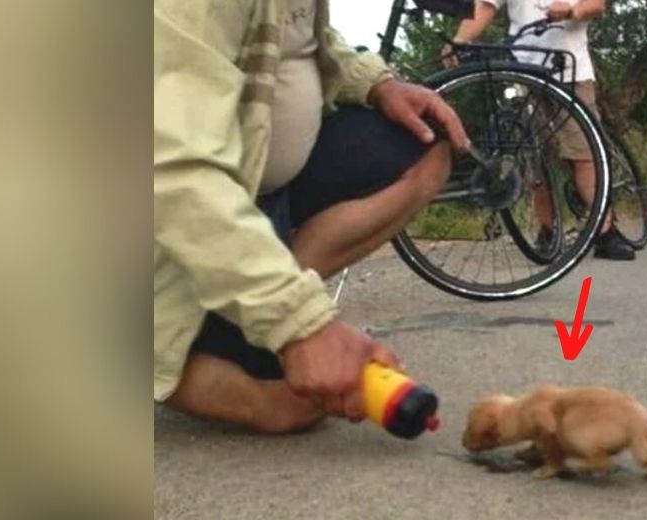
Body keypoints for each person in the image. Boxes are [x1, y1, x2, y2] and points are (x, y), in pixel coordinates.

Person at [154, 0, 468, 434]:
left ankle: (251, 304)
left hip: (261, 186)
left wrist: (377, 83)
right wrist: (299, 325)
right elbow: (168, 165)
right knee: (284, 404)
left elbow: (303, 38)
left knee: (426, 146)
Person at [444, 0, 634, 260]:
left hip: (569, 71)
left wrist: (571, 11)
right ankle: (547, 230)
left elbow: (596, 4)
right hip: (523, 68)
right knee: (535, 159)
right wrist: (459, 40)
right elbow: (485, 6)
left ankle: (605, 230)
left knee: (585, 154)